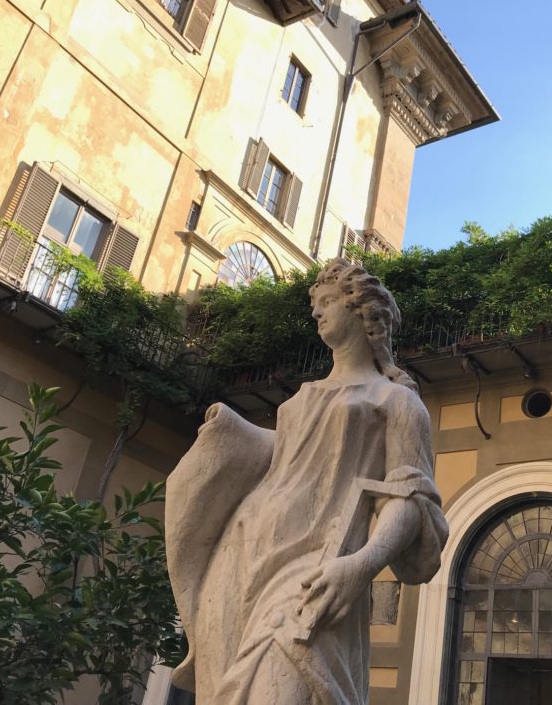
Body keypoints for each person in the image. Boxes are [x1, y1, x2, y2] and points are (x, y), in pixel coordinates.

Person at [165, 258, 448, 704]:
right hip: (240, 555)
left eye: (328, 301)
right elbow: (278, 467)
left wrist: (362, 565)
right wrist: (228, 436)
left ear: (362, 312)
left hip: (316, 566)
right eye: (316, 304)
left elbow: (411, 499)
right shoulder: (298, 401)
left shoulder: (397, 402)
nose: (316, 312)